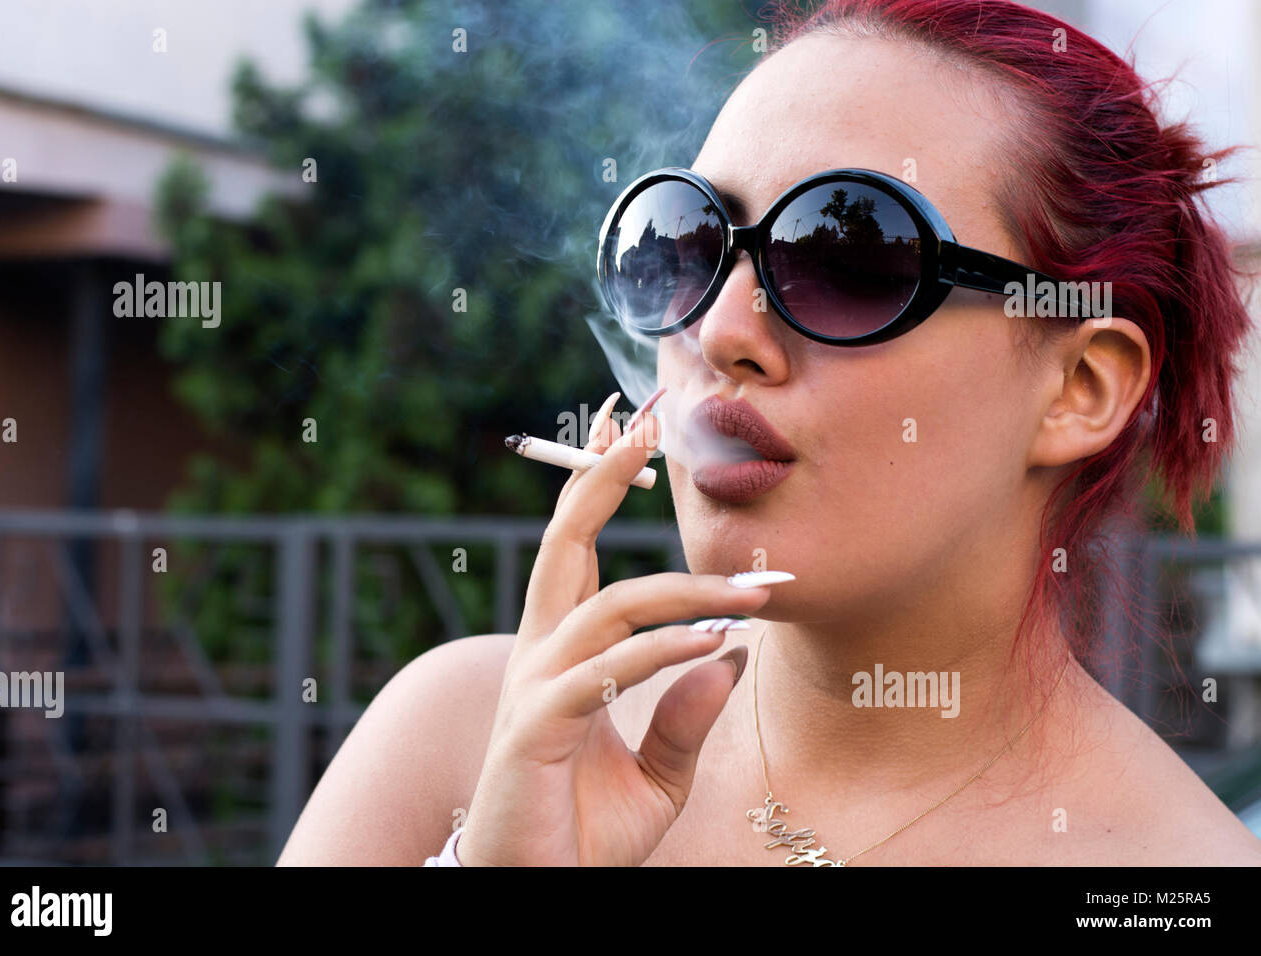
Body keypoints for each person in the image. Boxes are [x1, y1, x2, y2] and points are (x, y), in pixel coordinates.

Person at [278, 0, 1261, 866]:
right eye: (689, 241)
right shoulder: (466, 736)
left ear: (1078, 386)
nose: (721, 331)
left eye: (847, 252)